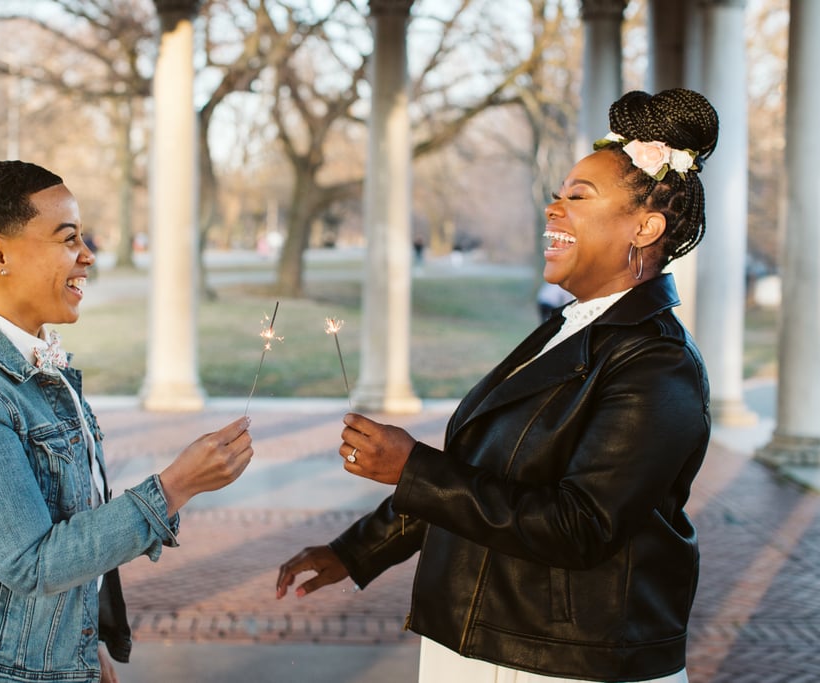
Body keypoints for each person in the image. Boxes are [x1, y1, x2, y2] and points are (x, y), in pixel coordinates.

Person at [276, 88, 717, 683]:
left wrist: (412, 469)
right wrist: (357, 551)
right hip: (477, 642)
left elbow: (580, 525)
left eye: (578, 197)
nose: (553, 209)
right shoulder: (565, 329)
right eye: (556, 194)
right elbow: (482, 471)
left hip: (562, 659)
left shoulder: (657, 363)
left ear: (646, 226)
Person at [0, 161, 254, 683]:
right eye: (67, 239)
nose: (88, 256)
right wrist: (174, 487)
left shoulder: (35, 371)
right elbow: (33, 563)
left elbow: (65, 526)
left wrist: (77, 646)